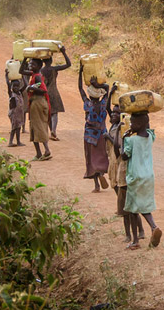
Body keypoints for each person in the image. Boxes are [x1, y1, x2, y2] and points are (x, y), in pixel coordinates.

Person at [105, 87, 145, 242]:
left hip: (125, 174)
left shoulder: (124, 133)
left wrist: (110, 137)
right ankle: (133, 233)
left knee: (129, 209)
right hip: (119, 172)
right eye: (113, 113)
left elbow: (120, 151)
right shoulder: (117, 127)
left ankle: (135, 234)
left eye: (117, 113)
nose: (113, 114)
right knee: (126, 208)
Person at [121, 112, 162, 250]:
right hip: (148, 176)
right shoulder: (150, 137)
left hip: (135, 177)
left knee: (133, 209)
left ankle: (137, 239)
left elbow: (124, 156)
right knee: (142, 204)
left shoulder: (131, 140)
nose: (130, 125)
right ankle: (151, 229)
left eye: (132, 123)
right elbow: (148, 128)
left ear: (139, 124)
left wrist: (123, 138)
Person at [78, 61, 110, 192]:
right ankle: (101, 173)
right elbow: (108, 89)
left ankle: (96, 185)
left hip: (90, 135)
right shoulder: (104, 103)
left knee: (91, 158)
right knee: (101, 156)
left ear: (90, 94)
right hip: (102, 133)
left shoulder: (88, 104)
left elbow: (80, 88)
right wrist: (99, 84)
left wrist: (80, 72)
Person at [20, 58, 52, 161]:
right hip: (35, 103)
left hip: (38, 103)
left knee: (39, 127)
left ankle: (46, 151)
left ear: (39, 66)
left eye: (32, 64)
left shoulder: (37, 77)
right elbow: (21, 71)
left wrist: (31, 88)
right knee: (34, 127)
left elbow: (43, 90)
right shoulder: (33, 74)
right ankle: (38, 153)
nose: (30, 65)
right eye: (29, 63)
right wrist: (24, 60)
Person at [41, 46, 71, 141]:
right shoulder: (54, 69)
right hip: (53, 92)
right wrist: (63, 52)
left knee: (48, 113)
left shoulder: (41, 70)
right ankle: (53, 131)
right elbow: (68, 64)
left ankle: (51, 131)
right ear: (51, 61)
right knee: (55, 113)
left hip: (44, 93)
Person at [5, 71, 25, 147]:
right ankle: (10, 142)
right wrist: (6, 76)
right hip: (14, 114)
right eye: (14, 86)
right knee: (14, 128)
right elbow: (7, 84)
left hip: (19, 113)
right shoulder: (11, 94)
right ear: (11, 87)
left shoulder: (20, 92)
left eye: (17, 86)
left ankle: (18, 141)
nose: (16, 88)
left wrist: (22, 76)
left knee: (18, 128)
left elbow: (26, 85)